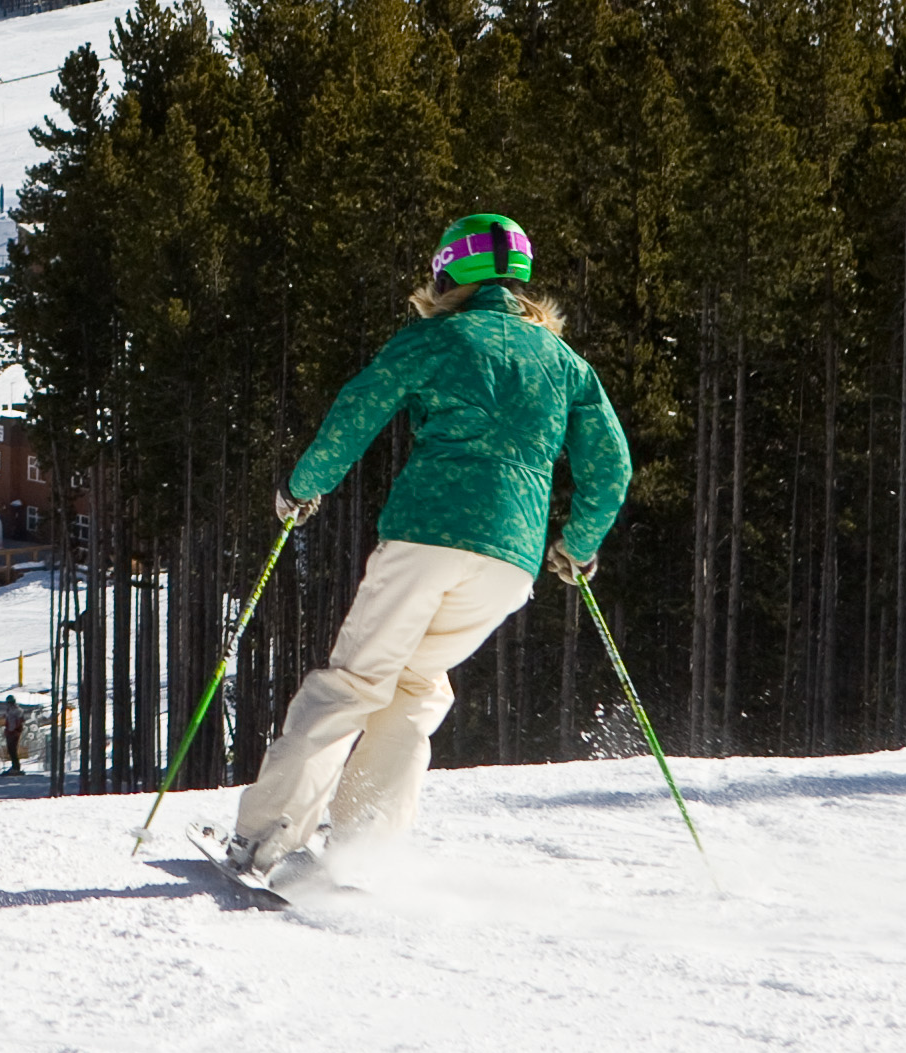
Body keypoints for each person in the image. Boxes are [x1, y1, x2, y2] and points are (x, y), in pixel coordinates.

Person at [215, 210, 628, 894]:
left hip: (427, 536)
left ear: (449, 271)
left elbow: (359, 406)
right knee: (414, 688)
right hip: (510, 562)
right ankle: (362, 852)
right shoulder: (564, 363)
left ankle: (264, 840)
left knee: (353, 682)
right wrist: (578, 544)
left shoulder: (436, 339)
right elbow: (610, 465)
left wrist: (302, 486)